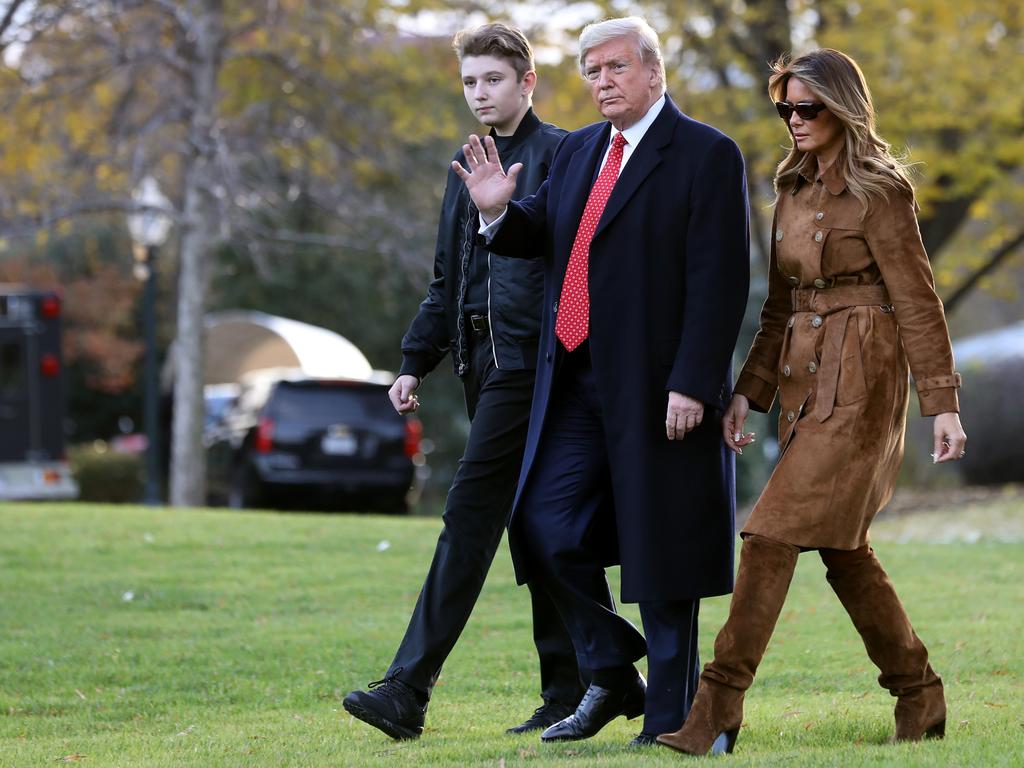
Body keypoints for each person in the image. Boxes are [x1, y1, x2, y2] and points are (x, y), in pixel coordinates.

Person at [657, 48, 967, 756]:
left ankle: (717, 707)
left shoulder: (882, 192)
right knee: (843, 551)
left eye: (809, 108)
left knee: (769, 535)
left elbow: (918, 301)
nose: (795, 120)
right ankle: (919, 695)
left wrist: (942, 404)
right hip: (805, 382)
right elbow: (778, 305)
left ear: (843, 108)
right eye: (786, 108)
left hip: (865, 386)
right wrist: (747, 395)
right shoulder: (789, 189)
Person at [453, 16, 750, 747]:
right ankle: (614, 667)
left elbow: (721, 280)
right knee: (541, 523)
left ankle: (673, 721)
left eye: (615, 67)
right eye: (590, 70)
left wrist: (694, 382)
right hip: (574, 381)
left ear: (654, 70)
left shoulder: (706, 154)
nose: (602, 81)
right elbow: (544, 236)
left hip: (660, 387)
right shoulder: (580, 150)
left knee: (663, 549)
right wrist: (497, 213)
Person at [342, 23, 584, 741]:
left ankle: (407, 689)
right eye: (471, 82)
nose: (481, 94)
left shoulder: (562, 154)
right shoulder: (462, 163)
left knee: (470, 515)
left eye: (494, 80)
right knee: (533, 526)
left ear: (527, 82)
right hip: (484, 369)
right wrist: (416, 361)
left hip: (535, 368)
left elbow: (568, 266)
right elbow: (448, 280)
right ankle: (578, 685)